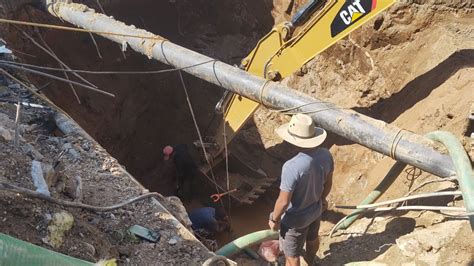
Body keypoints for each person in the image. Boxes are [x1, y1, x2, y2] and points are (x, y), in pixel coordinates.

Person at [268, 114, 334, 266]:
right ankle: (310, 261)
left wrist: (274, 219)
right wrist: (322, 200)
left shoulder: (292, 167)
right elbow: (328, 183)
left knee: (291, 256)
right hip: (315, 210)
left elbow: (283, 201)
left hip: (295, 220)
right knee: (312, 238)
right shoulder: (325, 154)